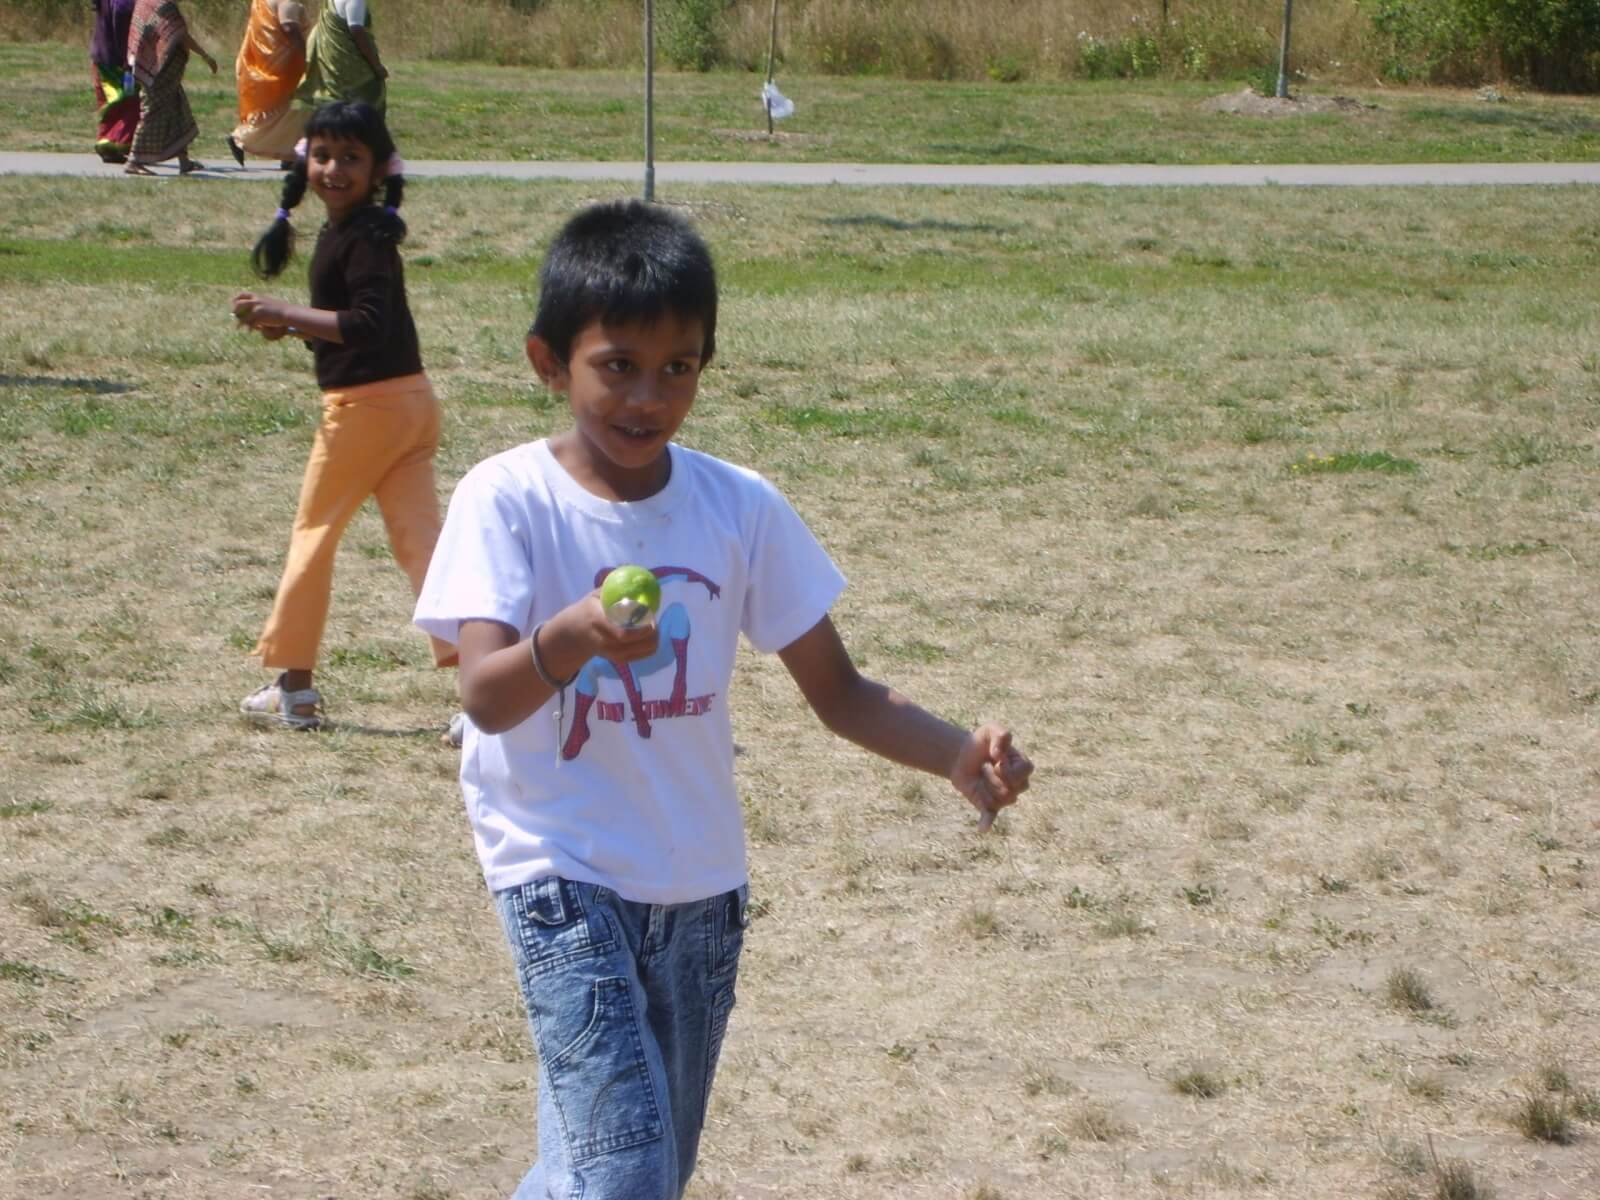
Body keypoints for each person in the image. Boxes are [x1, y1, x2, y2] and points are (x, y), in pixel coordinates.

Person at [412, 200, 1034, 1200]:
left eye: (679, 367)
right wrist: (574, 635)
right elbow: (485, 697)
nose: (647, 396)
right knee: (625, 1174)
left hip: (698, 889)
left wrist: (956, 753)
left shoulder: (736, 505)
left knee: (623, 1169)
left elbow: (839, 691)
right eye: (618, 364)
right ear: (548, 362)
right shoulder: (508, 497)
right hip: (559, 873)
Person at [232, 100, 455, 730]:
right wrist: (291, 327)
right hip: (409, 405)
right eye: (324, 155)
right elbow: (355, 329)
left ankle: (295, 689)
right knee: (425, 550)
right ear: (305, 163)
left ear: (379, 169)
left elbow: (366, 324)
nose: (334, 170)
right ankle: (486, 688)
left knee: (314, 536)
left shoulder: (364, 238)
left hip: (366, 413)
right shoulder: (355, 232)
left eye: (351, 158)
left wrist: (286, 311)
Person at [124, 0, 217, 175]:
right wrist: (205, 56)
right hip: (160, 70)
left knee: (177, 108)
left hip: (151, 66)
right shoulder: (165, 7)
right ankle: (133, 161)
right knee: (152, 112)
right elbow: (180, 35)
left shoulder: (145, 2)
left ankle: (184, 161)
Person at [227, 0, 310, 168]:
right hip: (287, 65)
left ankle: (289, 156)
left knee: (288, 111)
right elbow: (289, 27)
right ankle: (241, 138)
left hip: (271, 63)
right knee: (290, 110)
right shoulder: (287, 2)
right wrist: (307, 56)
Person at [296, 0, 388, 118]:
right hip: (353, 65)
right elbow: (357, 30)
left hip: (333, 62)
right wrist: (377, 66)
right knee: (368, 101)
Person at [90, 0, 141, 163]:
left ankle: (106, 144)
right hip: (117, 60)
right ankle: (119, 143)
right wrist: (127, 59)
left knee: (110, 104)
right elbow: (120, 20)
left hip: (101, 55)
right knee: (129, 102)